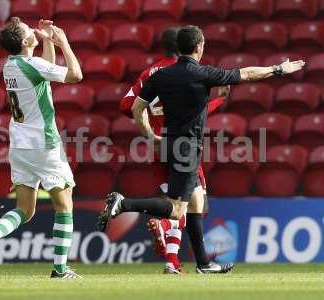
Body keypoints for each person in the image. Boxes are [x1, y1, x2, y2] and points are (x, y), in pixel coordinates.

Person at [98, 25, 305, 274]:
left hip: (168, 143)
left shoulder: (159, 76)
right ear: (199, 47)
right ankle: (124, 204)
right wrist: (279, 69)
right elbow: (248, 74)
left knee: (197, 201)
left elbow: (135, 108)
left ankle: (203, 263)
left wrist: (150, 135)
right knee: (177, 209)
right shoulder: (204, 74)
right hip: (187, 148)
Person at [0, 17, 83, 279]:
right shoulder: (31, 64)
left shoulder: (10, 65)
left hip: (20, 145)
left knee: (25, 209)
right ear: (24, 41)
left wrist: (44, 39)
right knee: (64, 205)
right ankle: (60, 269)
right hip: (44, 143)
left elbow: (46, 68)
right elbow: (75, 75)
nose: (32, 28)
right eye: (27, 30)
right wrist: (63, 42)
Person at [119, 27, 230, 274]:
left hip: (158, 147)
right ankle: (189, 259)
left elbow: (127, 105)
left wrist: (149, 118)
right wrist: (220, 101)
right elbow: (196, 113)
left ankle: (173, 262)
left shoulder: (150, 73)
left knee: (178, 202)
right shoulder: (188, 73)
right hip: (182, 145)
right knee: (192, 205)